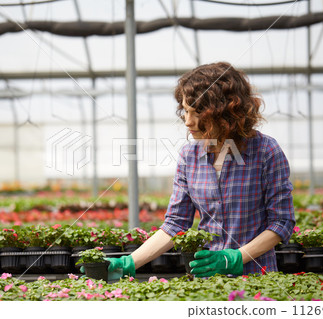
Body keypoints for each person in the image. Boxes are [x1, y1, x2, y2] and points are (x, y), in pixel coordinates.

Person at [106, 61, 296, 278]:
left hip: (257, 278)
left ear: (225, 111)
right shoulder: (190, 156)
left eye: (196, 113)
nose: (187, 122)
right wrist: (130, 262)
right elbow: (176, 223)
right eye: (185, 112)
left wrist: (234, 258)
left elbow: (282, 222)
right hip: (206, 280)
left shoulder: (266, 151)